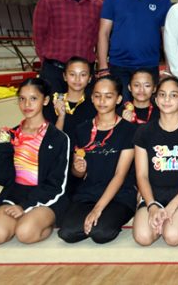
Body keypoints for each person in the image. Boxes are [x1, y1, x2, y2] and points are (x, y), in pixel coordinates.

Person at [0, 78, 70, 244]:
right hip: (15, 193)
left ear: (45, 100)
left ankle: (44, 221)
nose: (27, 104)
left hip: (46, 196)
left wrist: (24, 206)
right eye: (22, 99)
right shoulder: (11, 134)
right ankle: (24, 218)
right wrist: (2, 148)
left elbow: (56, 184)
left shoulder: (58, 138)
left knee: (25, 233)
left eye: (33, 98)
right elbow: (1, 178)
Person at [58, 76, 137, 244]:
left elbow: (120, 175)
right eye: (97, 95)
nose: (102, 101)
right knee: (67, 233)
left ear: (118, 99)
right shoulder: (82, 129)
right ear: (92, 97)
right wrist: (78, 169)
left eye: (108, 96)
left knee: (101, 233)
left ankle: (105, 217)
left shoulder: (129, 130)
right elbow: (77, 173)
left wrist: (97, 209)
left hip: (120, 194)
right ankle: (94, 218)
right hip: (89, 192)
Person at [132, 77, 178, 246]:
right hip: (154, 193)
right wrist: (151, 206)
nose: (167, 99)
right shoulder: (144, 132)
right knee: (143, 237)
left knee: (172, 236)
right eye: (162, 95)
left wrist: (171, 208)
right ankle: (156, 216)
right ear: (156, 99)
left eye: (173, 95)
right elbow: (141, 175)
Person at [96, 0, 171, 102]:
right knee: (121, 113)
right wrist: (103, 67)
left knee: (149, 115)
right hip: (119, 67)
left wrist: (168, 70)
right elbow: (103, 33)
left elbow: (167, 36)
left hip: (150, 67)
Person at [33, 0, 103, 94]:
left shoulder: (98, 5)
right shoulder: (47, 1)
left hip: (84, 74)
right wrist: (47, 64)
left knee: (85, 114)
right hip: (54, 73)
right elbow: (38, 36)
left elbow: (99, 38)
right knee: (52, 114)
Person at [44, 57, 96, 137]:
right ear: (65, 76)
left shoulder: (94, 104)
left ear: (89, 78)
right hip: (60, 148)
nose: (77, 79)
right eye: (72, 74)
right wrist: (61, 117)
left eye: (83, 75)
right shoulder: (53, 102)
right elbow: (52, 140)